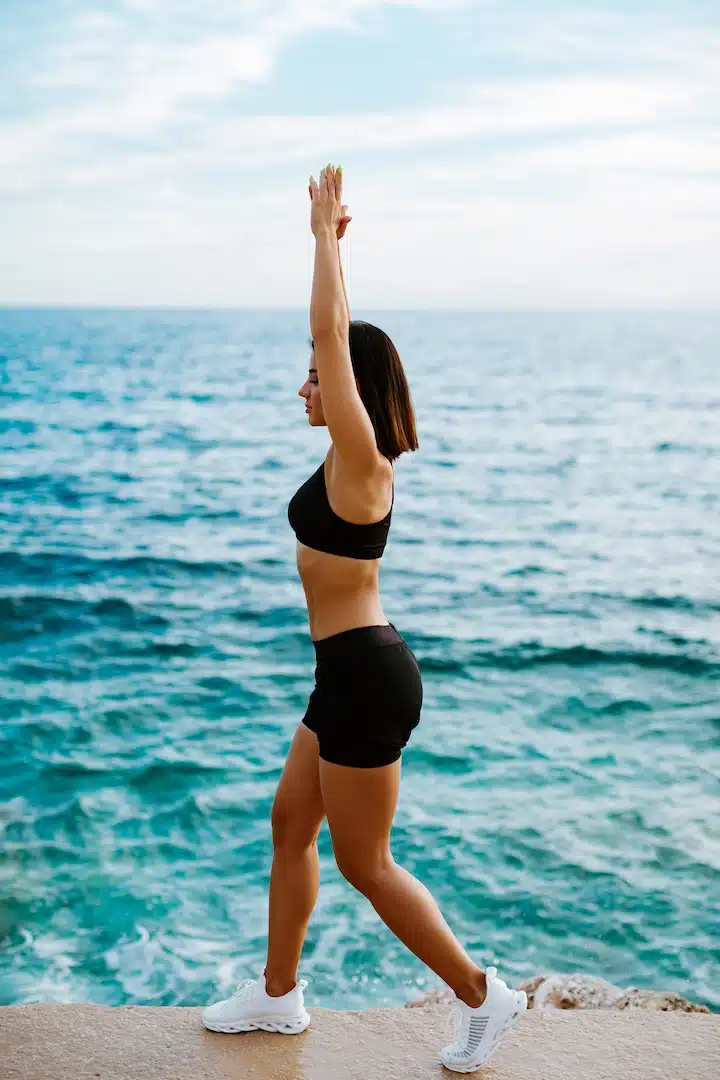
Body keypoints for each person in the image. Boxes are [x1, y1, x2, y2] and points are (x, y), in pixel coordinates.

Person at [202, 164, 527, 1072]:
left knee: (366, 864)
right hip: (342, 672)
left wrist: (320, 243)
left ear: (350, 388)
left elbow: (333, 333)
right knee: (289, 826)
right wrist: (337, 251)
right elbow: (337, 339)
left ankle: (481, 995)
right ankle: (278, 997)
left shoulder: (363, 461)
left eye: (315, 380)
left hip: (367, 676)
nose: (303, 389)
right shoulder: (349, 461)